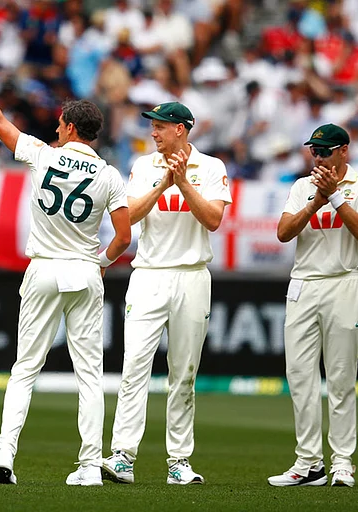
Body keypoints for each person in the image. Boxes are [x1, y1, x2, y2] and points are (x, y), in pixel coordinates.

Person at [0, 38, 132, 487]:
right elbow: (124, 238)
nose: (56, 129)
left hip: (43, 268)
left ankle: (5, 460)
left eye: (59, 124)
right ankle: (90, 466)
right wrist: (101, 262)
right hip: (84, 271)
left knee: (24, 369)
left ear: (70, 127)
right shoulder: (109, 175)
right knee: (90, 374)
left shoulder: (43, 155)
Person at [101, 101, 232, 485]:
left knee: (184, 372)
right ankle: (122, 456)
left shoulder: (211, 168)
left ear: (181, 129)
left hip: (192, 275)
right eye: (153, 126)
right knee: (134, 366)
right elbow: (130, 217)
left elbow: (213, 219)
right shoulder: (144, 166)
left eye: (160, 126)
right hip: (149, 274)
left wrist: (184, 183)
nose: (153, 133)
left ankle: (179, 462)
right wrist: (163, 183)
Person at [269, 123, 358, 487]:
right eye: (314, 151)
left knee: (340, 377)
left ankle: (343, 462)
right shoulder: (302, 187)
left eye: (324, 151)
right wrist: (316, 201)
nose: (317, 157)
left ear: (344, 151)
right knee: (300, 376)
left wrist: (335, 196)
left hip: (345, 282)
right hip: (304, 283)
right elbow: (284, 232)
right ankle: (309, 462)